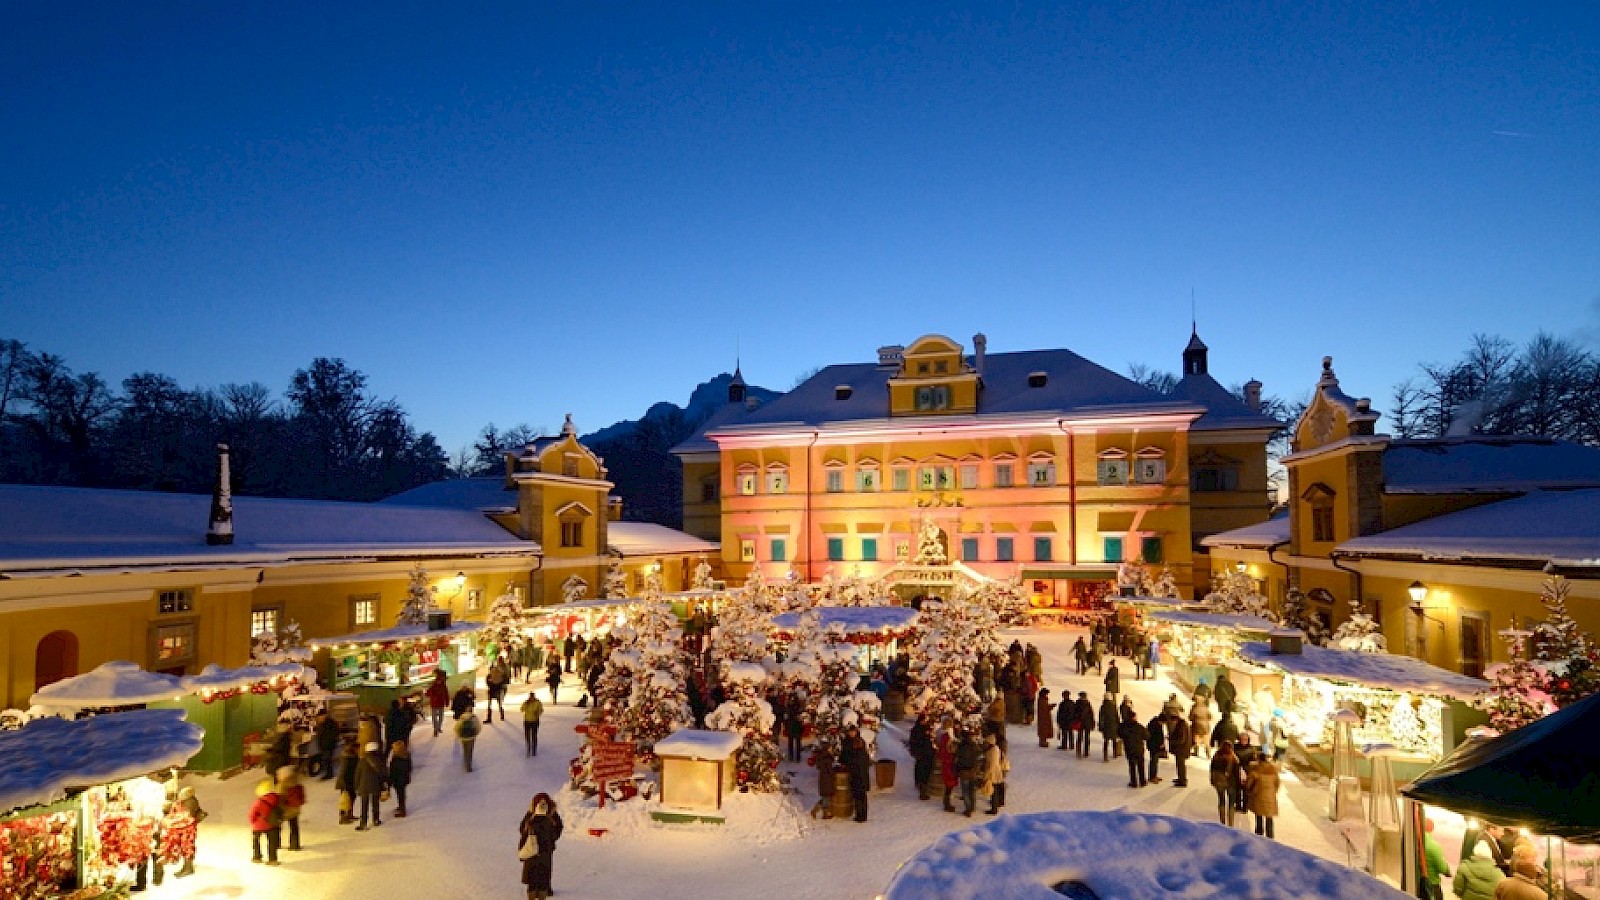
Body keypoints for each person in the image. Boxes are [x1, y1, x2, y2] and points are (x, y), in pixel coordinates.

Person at [518, 793, 564, 900]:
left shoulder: (552, 815)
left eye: (544, 802)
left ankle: (544, 890)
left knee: (544, 871)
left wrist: (551, 836)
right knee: (532, 873)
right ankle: (532, 893)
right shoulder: (531, 815)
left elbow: (558, 829)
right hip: (532, 849)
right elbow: (522, 830)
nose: (542, 805)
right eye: (540, 802)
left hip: (545, 849)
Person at [840, 725, 872, 823]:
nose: (852, 733)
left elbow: (853, 760)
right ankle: (861, 814)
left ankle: (861, 816)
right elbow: (844, 756)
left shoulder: (858, 746)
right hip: (858, 774)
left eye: (853, 731)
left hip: (858, 774)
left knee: (860, 795)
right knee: (860, 795)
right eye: (850, 732)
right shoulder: (848, 742)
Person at [1244, 754, 1280, 839]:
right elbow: (1277, 784)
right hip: (1270, 798)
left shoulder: (1256, 771)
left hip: (1258, 797)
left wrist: (1249, 792)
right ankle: (1270, 837)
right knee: (1269, 818)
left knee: (1259, 817)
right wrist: (1273, 792)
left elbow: (1249, 784)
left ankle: (1259, 837)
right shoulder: (1273, 770)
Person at [248, 779, 283, 866]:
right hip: (272, 824)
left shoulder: (259, 801)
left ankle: (257, 857)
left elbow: (252, 813)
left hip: (258, 825)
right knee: (271, 842)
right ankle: (272, 860)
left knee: (256, 840)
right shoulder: (277, 798)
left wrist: (252, 821)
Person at [355, 741, 387, 830]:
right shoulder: (380, 759)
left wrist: (356, 785)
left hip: (364, 785)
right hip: (376, 785)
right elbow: (383, 773)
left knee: (364, 805)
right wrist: (384, 785)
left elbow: (358, 774)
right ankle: (376, 820)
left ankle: (363, 823)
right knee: (375, 803)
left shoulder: (362, 760)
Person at [1209, 742, 1241, 826]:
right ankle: (1231, 823)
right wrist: (1238, 785)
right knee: (1231, 803)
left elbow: (1212, 769)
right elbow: (1237, 773)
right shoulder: (1234, 758)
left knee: (1221, 801)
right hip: (1231, 783)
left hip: (1219, 782)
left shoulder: (1216, 756)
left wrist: (1213, 780)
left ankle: (1222, 822)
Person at [954, 728, 983, 817]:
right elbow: (979, 755)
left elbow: (957, 757)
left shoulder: (960, 746)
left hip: (964, 772)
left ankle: (968, 808)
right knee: (972, 790)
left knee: (965, 791)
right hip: (973, 771)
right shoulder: (974, 745)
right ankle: (973, 806)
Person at [1421, 818, 1452, 900]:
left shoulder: (1415, 841)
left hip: (1419, 884)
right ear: (1432, 829)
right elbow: (1442, 867)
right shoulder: (1434, 846)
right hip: (1432, 885)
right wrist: (1448, 871)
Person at [277, 766, 306, 851]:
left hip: (285, 809)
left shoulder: (282, 785)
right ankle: (295, 845)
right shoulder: (297, 783)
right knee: (294, 827)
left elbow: (279, 798)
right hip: (295, 809)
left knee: (277, 826)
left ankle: (276, 843)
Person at [909, 715, 936, 800]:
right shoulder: (920, 730)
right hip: (924, 754)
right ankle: (922, 791)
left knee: (922, 770)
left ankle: (921, 786)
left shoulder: (923, 729)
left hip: (923, 754)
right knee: (923, 772)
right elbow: (917, 742)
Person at [1120, 708, 1148, 788]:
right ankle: (1142, 781)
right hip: (1139, 748)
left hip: (1129, 748)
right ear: (1133, 717)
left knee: (1132, 766)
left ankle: (1133, 782)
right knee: (1141, 765)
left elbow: (1120, 734)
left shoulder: (1123, 726)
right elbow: (1146, 736)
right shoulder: (1139, 726)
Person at [936, 718, 960, 812]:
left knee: (948, 785)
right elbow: (949, 749)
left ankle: (947, 803)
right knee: (949, 785)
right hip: (949, 764)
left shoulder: (941, 734)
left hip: (946, 763)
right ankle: (947, 804)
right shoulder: (947, 737)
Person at [982, 730, 1008, 815]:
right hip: (997, 772)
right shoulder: (996, 749)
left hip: (993, 773)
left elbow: (991, 765)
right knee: (998, 788)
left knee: (994, 791)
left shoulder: (992, 751)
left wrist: (986, 776)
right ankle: (999, 802)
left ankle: (994, 808)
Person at [335, 739, 359, 824]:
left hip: (350, 781)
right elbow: (343, 772)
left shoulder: (352, 756)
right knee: (345, 799)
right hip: (345, 783)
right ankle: (343, 817)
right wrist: (344, 785)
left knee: (352, 797)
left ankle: (349, 814)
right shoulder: (347, 757)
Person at [1167, 710, 1193, 787]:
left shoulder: (1181, 726)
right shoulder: (1182, 724)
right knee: (1180, 765)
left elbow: (1181, 739)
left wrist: (1172, 741)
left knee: (1181, 765)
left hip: (1181, 749)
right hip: (1182, 748)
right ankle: (1181, 778)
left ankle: (1182, 781)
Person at [313, 712, 340, 779]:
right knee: (326, 759)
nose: (319, 718)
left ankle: (329, 774)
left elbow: (335, 733)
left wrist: (331, 740)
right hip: (323, 745)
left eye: (320, 717)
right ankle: (328, 773)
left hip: (328, 744)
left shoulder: (330, 723)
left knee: (327, 759)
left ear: (324, 715)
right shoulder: (322, 723)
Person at [388, 740, 412, 817]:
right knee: (401, 794)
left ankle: (402, 810)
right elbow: (409, 768)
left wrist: (390, 781)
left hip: (398, 779)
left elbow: (393, 770)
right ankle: (401, 807)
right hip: (404, 778)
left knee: (400, 794)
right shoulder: (407, 756)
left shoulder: (396, 758)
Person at [812, 745, 837, 819]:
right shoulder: (827, 758)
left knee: (826, 797)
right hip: (827, 780)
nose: (831, 749)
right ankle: (820, 812)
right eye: (830, 748)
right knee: (826, 797)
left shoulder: (822, 757)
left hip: (824, 779)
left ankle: (819, 811)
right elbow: (829, 770)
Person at [456, 707, 482, 772]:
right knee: (470, 751)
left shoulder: (462, 717)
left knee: (465, 750)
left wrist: (459, 734)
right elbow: (478, 727)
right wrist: (475, 733)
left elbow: (457, 727)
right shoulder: (474, 717)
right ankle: (469, 766)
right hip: (471, 737)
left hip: (463, 737)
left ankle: (465, 763)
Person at [521, 692, 545, 757]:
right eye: (530, 697)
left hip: (535, 721)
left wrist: (537, 713)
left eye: (532, 696)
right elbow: (521, 709)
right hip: (527, 721)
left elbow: (541, 710)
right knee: (527, 736)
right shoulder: (526, 702)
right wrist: (525, 704)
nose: (531, 698)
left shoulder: (538, 702)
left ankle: (534, 750)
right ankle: (528, 748)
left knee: (534, 736)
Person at [426, 671, 450, 736]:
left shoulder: (443, 686)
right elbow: (427, 694)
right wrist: (433, 694)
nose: (439, 681)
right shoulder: (433, 685)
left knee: (441, 717)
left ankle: (438, 728)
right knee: (434, 717)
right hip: (434, 704)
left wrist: (447, 701)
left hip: (441, 703)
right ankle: (435, 729)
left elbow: (446, 694)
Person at [1145, 711, 1167, 784]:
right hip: (1153, 747)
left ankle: (1154, 775)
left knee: (1155, 761)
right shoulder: (1154, 725)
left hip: (1156, 746)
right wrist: (1159, 745)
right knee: (1153, 761)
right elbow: (1153, 738)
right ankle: (1152, 777)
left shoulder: (1156, 724)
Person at [1098, 693, 1120, 761]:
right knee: (1114, 740)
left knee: (1106, 741)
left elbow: (1101, 717)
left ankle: (1105, 755)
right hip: (1113, 725)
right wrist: (1118, 724)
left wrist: (1101, 726)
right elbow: (1117, 716)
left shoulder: (1103, 706)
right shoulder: (1113, 706)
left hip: (1106, 726)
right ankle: (1115, 753)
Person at [1074, 692, 1095, 760]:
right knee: (1086, 738)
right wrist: (1092, 723)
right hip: (1087, 723)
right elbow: (1091, 714)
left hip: (1080, 723)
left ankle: (1078, 751)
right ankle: (1086, 752)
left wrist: (1076, 720)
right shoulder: (1088, 704)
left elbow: (1074, 714)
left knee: (1079, 737)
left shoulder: (1077, 703)